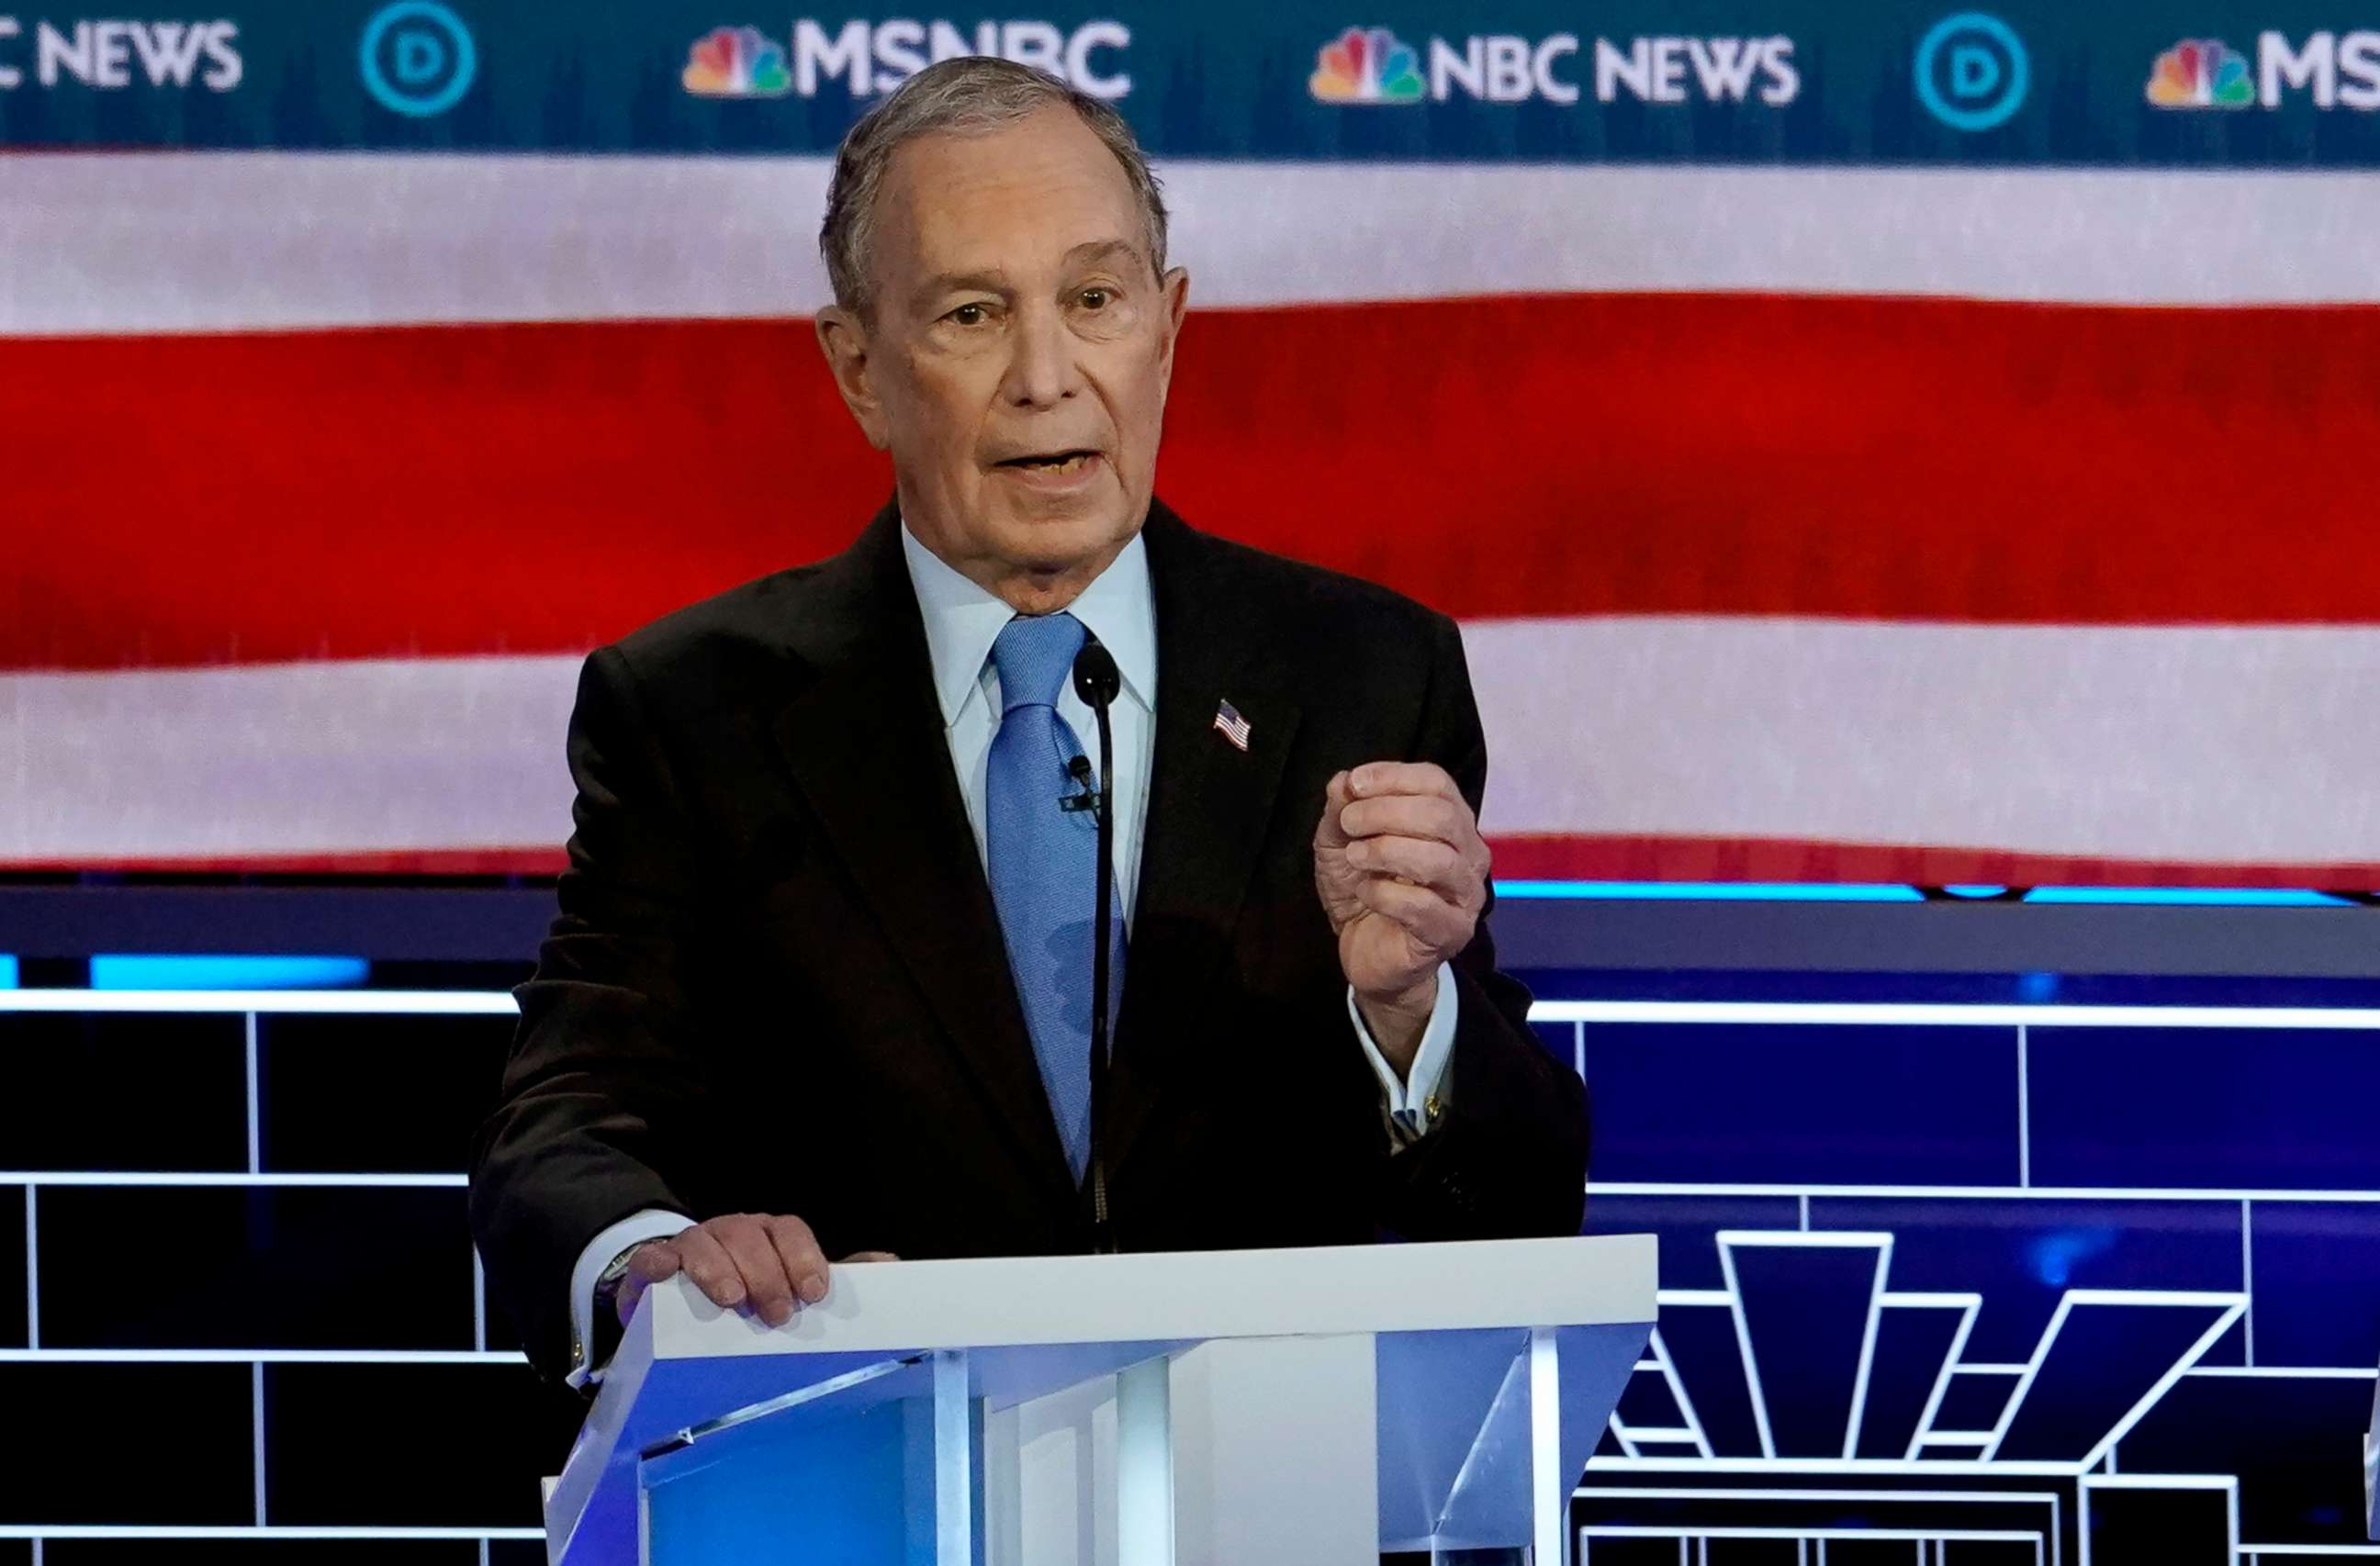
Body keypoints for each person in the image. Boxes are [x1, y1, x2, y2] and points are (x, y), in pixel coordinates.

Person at [468, 55, 1589, 1389]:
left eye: (1096, 299)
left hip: (1272, 1488)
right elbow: (570, 1112)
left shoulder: (1361, 672)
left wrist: (1409, 1014)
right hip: (861, 1474)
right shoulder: (698, 708)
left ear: (1167, 325)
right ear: (861, 370)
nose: (1047, 376)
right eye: (971, 314)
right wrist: (655, 1260)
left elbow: (1520, 1202)